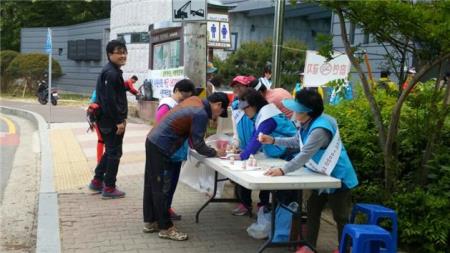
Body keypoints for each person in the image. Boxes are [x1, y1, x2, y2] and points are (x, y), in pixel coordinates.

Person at [260, 89, 358, 253]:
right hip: (321, 175)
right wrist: (273, 140)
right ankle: (309, 246)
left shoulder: (320, 129)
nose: (294, 110)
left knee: (340, 217)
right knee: (313, 210)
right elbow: (297, 142)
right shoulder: (307, 123)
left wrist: (283, 170)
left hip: (339, 177)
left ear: (308, 111)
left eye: (297, 107)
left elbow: (305, 154)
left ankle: (344, 249)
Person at [143, 92, 229, 241]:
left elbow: (191, 135)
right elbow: (198, 144)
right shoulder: (201, 112)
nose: (217, 117)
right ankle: (166, 228)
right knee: (159, 187)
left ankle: (150, 222)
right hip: (160, 145)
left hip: (153, 140)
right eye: (220, 113)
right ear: (218, 105)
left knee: (152, 184)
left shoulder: (195, 101)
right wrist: (216, 152)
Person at [231, 89, 297, 216]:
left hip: (290, 156)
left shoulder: (267, 116)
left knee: (286, 196)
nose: (244, 112)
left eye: (245, 108)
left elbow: (256, 140)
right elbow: (255, 137)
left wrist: (242, 156)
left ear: (254, 104)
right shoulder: (264, 112)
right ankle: (279, 220)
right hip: (282, 156)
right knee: (284, 195)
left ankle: (283, 222)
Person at [88, 40, 129, 199]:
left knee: (110, 150)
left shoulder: (111, 71)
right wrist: (119, 120)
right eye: (118, 52)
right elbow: (109, 100)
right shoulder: (111, 73)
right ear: (109, 54)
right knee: (115, 153)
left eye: (124, 51)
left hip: (105, 120)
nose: (123, 55)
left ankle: (98, 181)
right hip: (110, 121)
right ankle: (109, 187)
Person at [154, 79, 196, 221]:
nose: (185, 99)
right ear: (176, 90)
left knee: (172, 183)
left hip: (177, 152)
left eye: (188, 96)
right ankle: (161, 214)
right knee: (165, 184)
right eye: (183, 95)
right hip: (167, 152)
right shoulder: (166, 105)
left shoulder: (179, 105)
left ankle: (167, 208)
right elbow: (162, 128)